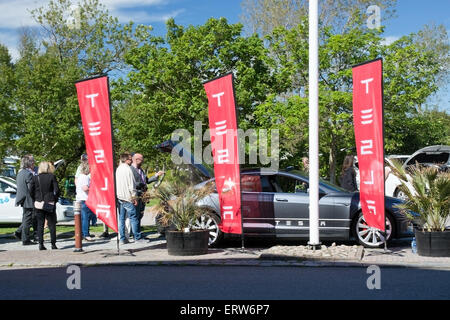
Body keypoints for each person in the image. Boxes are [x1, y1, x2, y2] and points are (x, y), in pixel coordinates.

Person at [116, 153, 146, 244]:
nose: (131, 160)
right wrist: (134, 198)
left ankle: (122, 238)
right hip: (128, 197)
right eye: (130, 159)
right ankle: (137, 237)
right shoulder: (128, 170)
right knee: (134, 217)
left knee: (121, 219)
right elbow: (131, 185)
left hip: (120, 196)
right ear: (126, 160)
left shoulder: (118, 169)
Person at [130, 153, 164, 233]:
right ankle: (135, 234)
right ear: (136, 159)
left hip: (144, 196)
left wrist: (156, 175)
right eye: (142, 159)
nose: (143, 161)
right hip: (137, 195)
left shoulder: (141, 170)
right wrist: (141, 185)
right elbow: (132, 183)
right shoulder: (130, 169)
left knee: (140, 215)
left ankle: (137, 232)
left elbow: (146, 181)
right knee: (136, 215)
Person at [30, 161, 60, 250]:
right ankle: (53, 244)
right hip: (49, 202)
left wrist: (35, 198)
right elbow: (57, 190)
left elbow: (31, 191)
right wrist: (55, 198)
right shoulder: (52, 176)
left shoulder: (35, 178)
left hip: (39, 202)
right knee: (51, 224)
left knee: (40, 224)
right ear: (47, 168)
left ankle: (41, 244)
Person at [14, 155, 38, 245]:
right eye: (32, 161)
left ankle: (21, 234)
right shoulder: (28, 174)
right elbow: (30, 188)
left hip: (23, 199)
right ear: (28, 163)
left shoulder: (20, 173)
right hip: (29, 199)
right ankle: (25, 239)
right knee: (27, 220)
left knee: (25, 219)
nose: (33, 163)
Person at [75, 162, 96, 242]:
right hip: (84, 199)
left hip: (80, 199)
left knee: (82, 218)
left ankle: (81, 233)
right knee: (86, 218)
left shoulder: (80, 176)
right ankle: (86, 234)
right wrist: (93, 189)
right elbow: (85, 188)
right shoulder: (85, 177)